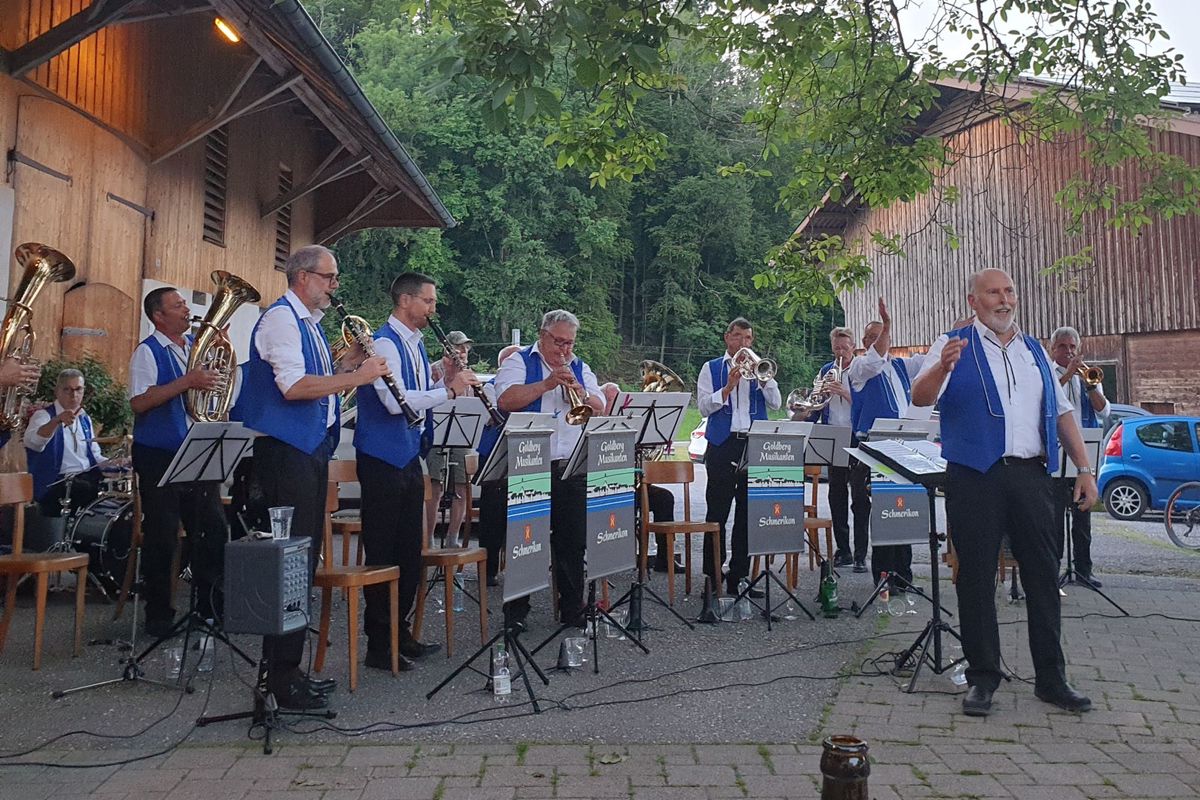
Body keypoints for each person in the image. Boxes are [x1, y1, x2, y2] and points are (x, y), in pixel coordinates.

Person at [911, 268, 1097, 717]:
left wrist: (1085, 470)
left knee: (1042, 575)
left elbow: (1063, 413)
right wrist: (941, 366)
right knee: (976, 577)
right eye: (993, 292)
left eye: (1010, 290)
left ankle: (1052, 679)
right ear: (973, 301)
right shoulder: (951, 343)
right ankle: (982, 679)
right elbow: (920, 396)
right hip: (975, 474)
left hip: (1032, 475)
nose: (1004, 299)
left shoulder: (1036, 349)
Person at [241, 245, 389, 709]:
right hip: (285, 452)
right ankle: (280, 678)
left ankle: (289, 670)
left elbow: (314, 379)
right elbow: (294, 387)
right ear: (303, 277)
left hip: (306, 450)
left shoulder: (306, 323)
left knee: (303, 561)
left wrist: (343, 365)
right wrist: (358, 379)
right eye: (330, 277)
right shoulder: (282, 320)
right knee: (291, 562)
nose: (334, 286)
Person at [354, 272, 477, 671]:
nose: (432, 309)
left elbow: (421, 401)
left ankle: (400, 632)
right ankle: (378, 644)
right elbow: (396, 403)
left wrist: (449, 380)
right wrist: (450, 390)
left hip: (407, 457)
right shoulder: (385, 341)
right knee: (384, 552)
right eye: (428, 301)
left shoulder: (415, 343)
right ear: (406, 301)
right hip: (381, 457)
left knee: (410, 551)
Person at [128, 288, 230, 636]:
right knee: (163, 533)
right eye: (178, 305)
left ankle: (208, 606)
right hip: (158, 452)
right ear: (158, 316)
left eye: (185, 304)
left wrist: (215, 369)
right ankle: (158, 614)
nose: (187, 310)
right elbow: (140, 402)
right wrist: (189, 381)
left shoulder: (193, 349)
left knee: (212, 527)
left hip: (195, 447)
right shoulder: (148, 351)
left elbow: (210, 390)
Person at [496, 310, 604, 628]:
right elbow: (505, 399)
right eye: (558, 342)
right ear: (543, 335)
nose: (564, 350)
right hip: (530, 462)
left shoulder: (580, 367)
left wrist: (581, 393)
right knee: (526, 541)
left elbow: (600, 404)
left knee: (573, 541)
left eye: (569, 343)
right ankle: (516, 613)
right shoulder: (519, 361)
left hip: (570, 465)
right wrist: (545, 385)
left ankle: (572, 609)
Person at [846, 300, 931, 585]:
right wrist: (887, 325)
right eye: (873, 337)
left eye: (882, 336)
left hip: (903, 444)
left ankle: (903, 574)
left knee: (903, 508)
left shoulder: (899, 366)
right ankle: (884, 576)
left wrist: (953, 337)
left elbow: (929, 361)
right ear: (865, 341)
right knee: (884, 511)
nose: (879, 341)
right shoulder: (858, 367)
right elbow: (873, 361)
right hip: (875, 448)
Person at [696, 318, 782, 596]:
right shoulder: (711, 368)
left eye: (748, 338)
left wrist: (765, 379)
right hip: (722, 445)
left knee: (748, 514)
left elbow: (777, 403)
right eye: (738, 337)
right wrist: (728, 388)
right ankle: (712, 577)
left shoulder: (759, 370)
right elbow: (703, 407)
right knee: (717, 513)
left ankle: (739, 577)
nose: (743, 343)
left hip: (753, 443)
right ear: (727, 338)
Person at [1050, 326, 1110, 588]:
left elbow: (1104, 411)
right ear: (1053, 350)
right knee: (1053, 523)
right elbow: (1047, 402)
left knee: (1082, 520)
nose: (1069, 351)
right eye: (1063, 347)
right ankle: (1051, 571)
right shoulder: (1048, 374)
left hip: (1083, 458)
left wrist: (1090, 387)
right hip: (1056, 458)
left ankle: (1084, 570)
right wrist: (1067, 375)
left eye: (1073, 347)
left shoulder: (1087, 377)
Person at [800, 328, 864, 569]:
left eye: (845, 348)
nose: (841, 352)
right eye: (837, 347)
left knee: (859, 498)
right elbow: (816, 404)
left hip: (857, 437)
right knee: (836, 495)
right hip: (833, 436)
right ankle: (843, 550)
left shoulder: (861, 370)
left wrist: (844, 393)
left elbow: (867, 404)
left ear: (853, 346)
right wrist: (808, 410)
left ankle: (860, 555)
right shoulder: (826, 370)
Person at [600, 381, 677, 572]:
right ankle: (610, 557)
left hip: (631, 487)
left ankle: (664, 558)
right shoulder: (595, 424)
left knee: (665, 498)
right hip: (604, 489)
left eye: (619, 399)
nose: (617, 404)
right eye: (611, 399)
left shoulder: (631, 426)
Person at [24, 369, 105, 516]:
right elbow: (33, 443)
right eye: (67, 389)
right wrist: (56, 420)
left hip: (85, 478)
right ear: (57, 391)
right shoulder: (43, 416)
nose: (73, 395)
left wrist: (117, 463)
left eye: (78, 389)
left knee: (107, 490)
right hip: (56, 483)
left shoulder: (84, 418)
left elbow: (95, 457)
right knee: (86, 488)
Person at [476, 344, 522, 586]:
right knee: (492, 514)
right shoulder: (490, 387)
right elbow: (492, 416)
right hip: (494, 454)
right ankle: (489, 569)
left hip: (522, 453)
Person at [425, 330, 475, 547]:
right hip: (438, 431)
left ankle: (453, 538)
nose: (463, 352)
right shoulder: (434, 370)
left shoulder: (468, 372)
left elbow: (473, 401)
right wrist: (449, 377)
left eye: (465, 348)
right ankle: (428, 538)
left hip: (461, 432)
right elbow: (427, 397)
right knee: (434, 486)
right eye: (459, 348)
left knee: (461, 486)